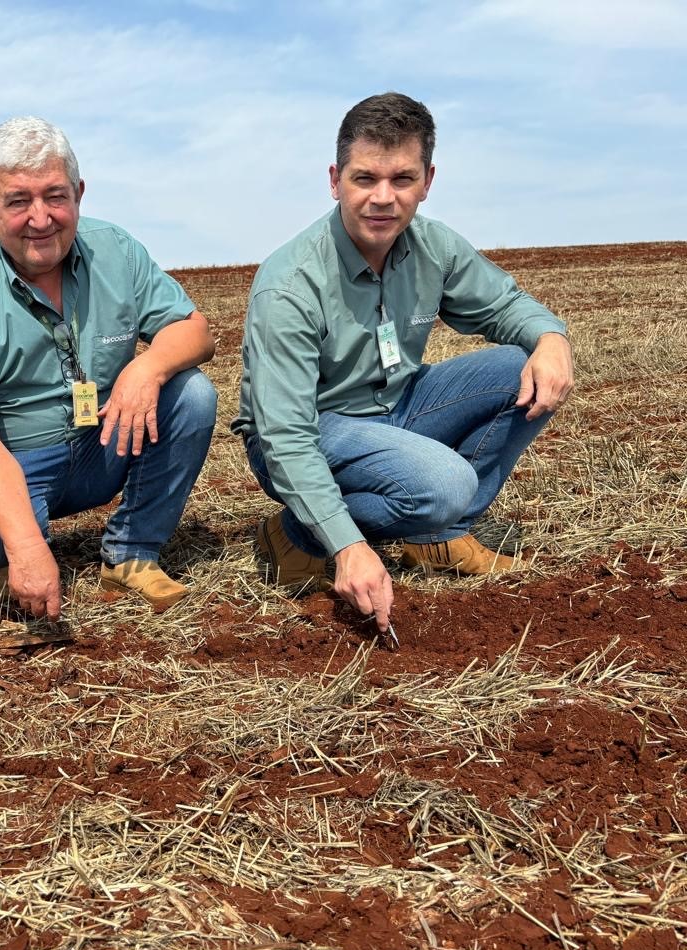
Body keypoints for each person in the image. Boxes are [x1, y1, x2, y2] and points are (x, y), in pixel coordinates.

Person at [232, 92, 574, 633]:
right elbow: (285, 437)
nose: (383, 198)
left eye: (402, 179)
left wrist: (551, 338)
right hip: (311, 428)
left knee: (522, 366)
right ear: (335, 180)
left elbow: (506, 306)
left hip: (397, 405)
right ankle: (298, 536)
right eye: (365, 179)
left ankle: (436, 534)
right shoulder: (290, 285)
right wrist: (347, 546)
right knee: (445, 485)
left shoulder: (435, 246)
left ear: (427, 181)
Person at [0, 117, 217, 619]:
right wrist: (26, 548)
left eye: (55, 196)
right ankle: (9, 548)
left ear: (78, 194)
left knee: (193, 395)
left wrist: (146, 370)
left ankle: (132, 552)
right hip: (10, 458)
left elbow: (195, 331)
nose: (41, 218)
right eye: (18, 201)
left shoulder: (115, 249)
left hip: (101, 442)